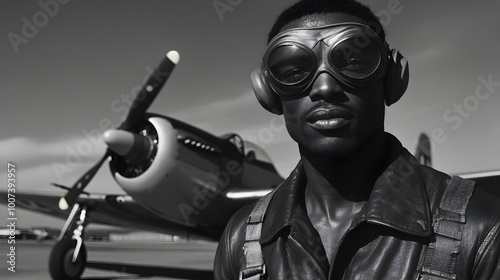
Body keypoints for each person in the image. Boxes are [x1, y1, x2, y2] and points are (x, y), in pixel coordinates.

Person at [214, 0, 500, 279]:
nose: (325, 87)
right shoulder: (239, 238)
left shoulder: (482, 230)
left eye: (354, 63)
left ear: (391, 78)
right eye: (294, 71)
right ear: (269, 93)